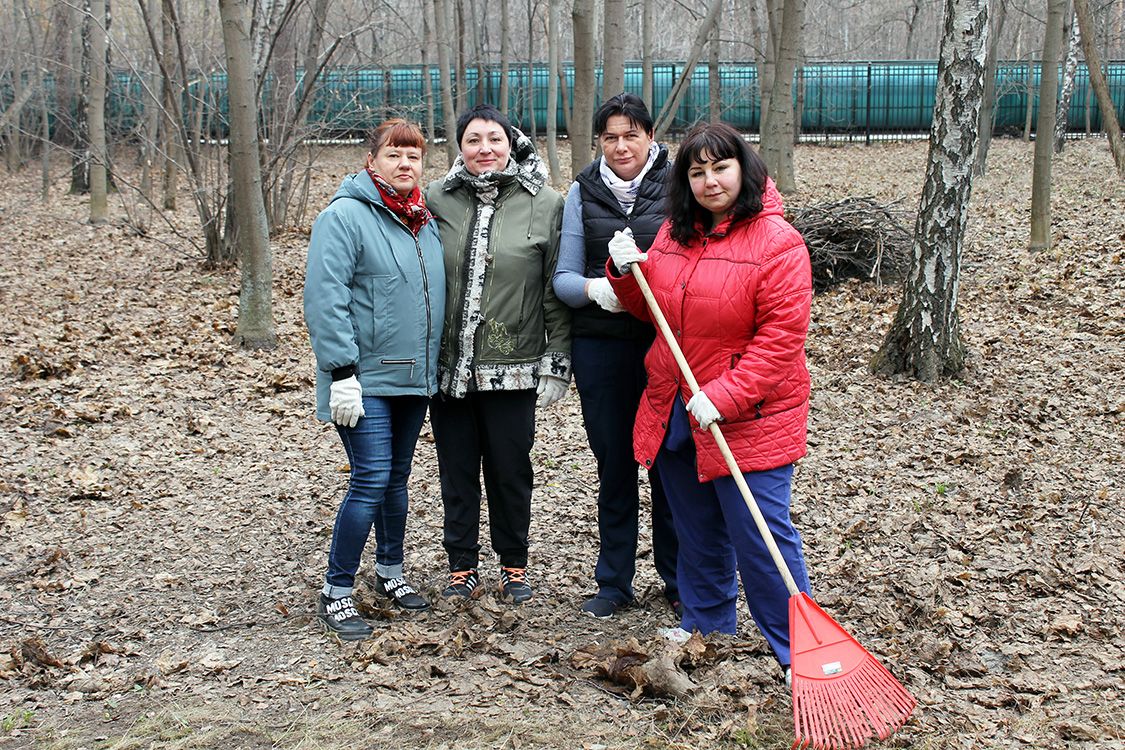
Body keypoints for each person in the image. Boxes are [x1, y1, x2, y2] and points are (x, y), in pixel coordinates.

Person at [606, 122, 814, 680]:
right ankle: (707, 623)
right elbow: (652, 309)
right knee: (695, 530)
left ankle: (798, 650)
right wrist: (625, 272)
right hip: (676, 407)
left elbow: (781, 341)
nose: (710, 181)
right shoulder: (675, 233)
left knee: (761, 536)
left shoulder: (778, 243)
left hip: (747, 416)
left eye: (720, 168)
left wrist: (725, 396)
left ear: (744, 169)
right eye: (697, 172)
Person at [303, 118, 446, 640]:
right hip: (362, 381)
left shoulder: (423, 220)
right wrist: (341, 372)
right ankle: (336, 590)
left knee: (396, 479)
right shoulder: (343, 217)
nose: (405, 164)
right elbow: (325, 298)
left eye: (413, 156)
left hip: (413, 378)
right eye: (394, 154)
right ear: (372, 161)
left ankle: (390, 571)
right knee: (370, 478)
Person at [425, 104, 569, 604]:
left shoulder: (545, 202)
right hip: (450, 366)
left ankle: (514, 563)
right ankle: (461, 564)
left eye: (494, 139)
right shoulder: (436, 199)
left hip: (515, 364)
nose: (484, 149)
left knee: (510, 470)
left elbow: (553, 288)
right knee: (457, 470)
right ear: (460, 147)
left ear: (511, 143)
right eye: (473, 140)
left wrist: (557, 360)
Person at [551, 93, 679, 620]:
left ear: (650, 136)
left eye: (631, 135)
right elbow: (563, 279)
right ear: (599, 141)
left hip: (665, 343)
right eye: (610, 137)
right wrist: (599, 288)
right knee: (615, 463)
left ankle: (679, 579)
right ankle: (614, 582)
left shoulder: (679, 184)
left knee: (670, 463)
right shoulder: (582, 192)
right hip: (600, 347)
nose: (621, 146)